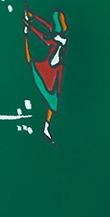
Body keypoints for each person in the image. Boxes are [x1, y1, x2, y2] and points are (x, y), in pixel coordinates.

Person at [24, 7, 68, 143]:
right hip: (50, 73)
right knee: (51, 102)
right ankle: (45, 127)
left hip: (52, 74)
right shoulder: (56, 34)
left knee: (52, 102)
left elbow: (44, 35)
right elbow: (46, 28)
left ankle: (46, 127)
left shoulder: (57, 38)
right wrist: (32, 18)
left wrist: (30, 25)